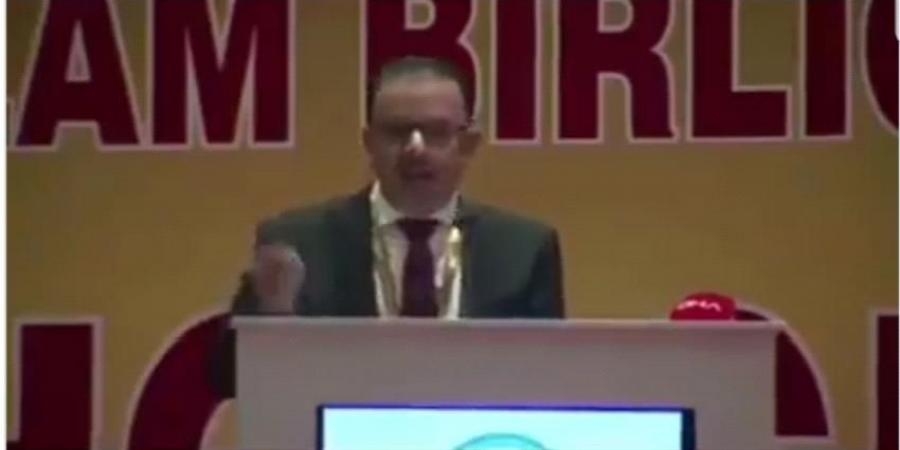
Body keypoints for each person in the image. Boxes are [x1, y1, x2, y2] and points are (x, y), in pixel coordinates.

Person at [210, 55, 565, 397]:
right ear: (369, 143)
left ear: (468, 144)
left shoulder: (522, 248)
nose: (415, 148)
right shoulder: (299, 242)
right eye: (397, 132)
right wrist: (273, 314)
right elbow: (227, 380)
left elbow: (554, 379)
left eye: (436, 132)